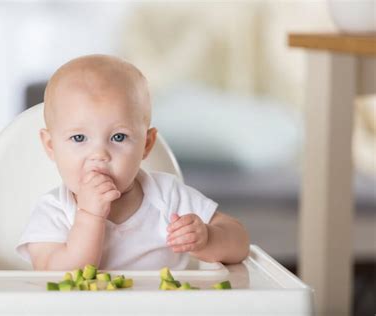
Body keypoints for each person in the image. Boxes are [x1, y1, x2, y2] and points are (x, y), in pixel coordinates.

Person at [16, 54, 249, 270]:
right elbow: (54, 274)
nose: (100, 154)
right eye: (79, 138)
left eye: (118, 137)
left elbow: (239, 243)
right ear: (51, 146)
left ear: (146, 144)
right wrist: (89, 216)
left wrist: (207, 238)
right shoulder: (54, 211)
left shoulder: (167, 197)